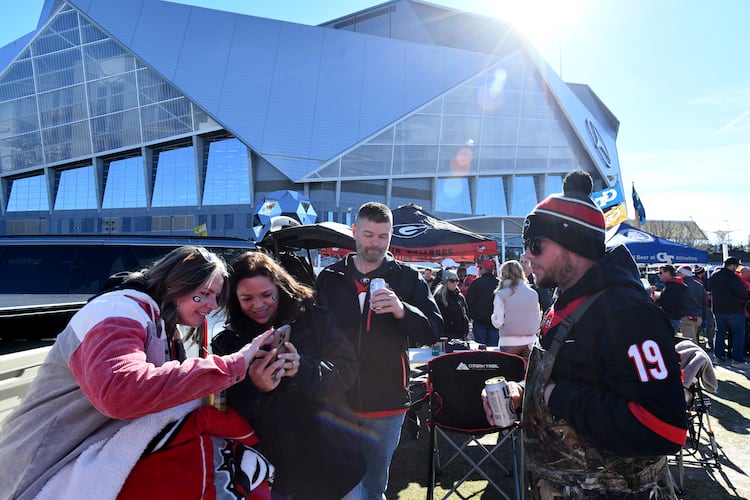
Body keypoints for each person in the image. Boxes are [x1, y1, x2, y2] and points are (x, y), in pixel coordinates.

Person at [0, 246, 275, 500]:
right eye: (203, 294)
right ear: (174, 283)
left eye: (216, 297)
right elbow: (121, 391)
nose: (212, 305)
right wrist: (231, 365)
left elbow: (167, 392)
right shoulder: (116, 311)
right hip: (42, 464)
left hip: (86, 454)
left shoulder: (164, 326)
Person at [483, 170, 687, 498]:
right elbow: (570, 378)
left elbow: (665, 427)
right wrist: (524, 394)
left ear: (574, 244)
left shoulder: (626, 312)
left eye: (535, 245)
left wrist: (556, 398)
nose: (526, 256)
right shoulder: (563, 303)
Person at [211, 251, 364, 500]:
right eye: (247, 298)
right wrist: (256, 388)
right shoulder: (227, 344)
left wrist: (303, 369)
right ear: (233, 300)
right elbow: (220, 408)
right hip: (272, 472)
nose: (258, 305)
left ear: (280, 288)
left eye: (266, 295)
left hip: (333, 465)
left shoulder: (315, 318)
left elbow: (348, 370)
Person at [315, 201, 442, 500]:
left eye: (383, 236)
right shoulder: (330, 277)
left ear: (391, 235)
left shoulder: (407, 277)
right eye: (369, 234)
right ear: (354, 231)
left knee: (374, 488)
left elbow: (433, 330)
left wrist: (402, 310)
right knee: (339, 486)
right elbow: (313, 332)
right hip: (337, 401)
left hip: (387, 401)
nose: (376, 243)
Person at [490, 259, 541, 361]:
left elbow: (498, 322)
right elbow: (538, 318)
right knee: (527, 374)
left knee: (509, 374)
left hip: (509, 342)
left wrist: (493, 318)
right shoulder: (533, 293)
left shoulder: (501, 294)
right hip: (530, 340)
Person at [710, 257, 748, 366]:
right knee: (738, 334)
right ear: (732, 265)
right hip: (734, 310)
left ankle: (718, 357)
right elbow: (742, 293)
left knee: (719, 333)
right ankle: (736, 359)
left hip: (718, 309)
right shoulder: (733, 277)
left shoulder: (714, 276)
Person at [466, 259, 500, 346]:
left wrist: (471, 316)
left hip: (480, 320)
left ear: (483, 269)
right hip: (495, 321)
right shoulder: (499, 283)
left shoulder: (476, 283)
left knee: (480, 349)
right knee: (494, 350)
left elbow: (469, 301)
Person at [432, 268, 470, 339]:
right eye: (452, 281)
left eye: (457, 280)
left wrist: (465, 328)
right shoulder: (438, 297)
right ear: (445, 281)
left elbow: (466, 314)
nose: (455, 283)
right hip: (444, 336)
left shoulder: (460, 297)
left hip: (460, 336)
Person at [676, 265, 704, 344]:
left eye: (678, 272)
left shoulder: (681, 285)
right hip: (698, 316)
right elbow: (704, 302)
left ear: (683, 273)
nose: (677, 274)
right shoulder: (699, 285)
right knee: (694, 338)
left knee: (689, 342)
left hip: (686, 316)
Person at [655, 264, 687, 333]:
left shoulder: (673, 286)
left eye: (660, 272)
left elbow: (669, 305)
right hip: (672, 318)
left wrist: (656, 300)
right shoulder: (672, 284)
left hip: (671, 318)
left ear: (668, 273)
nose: (658, 275)